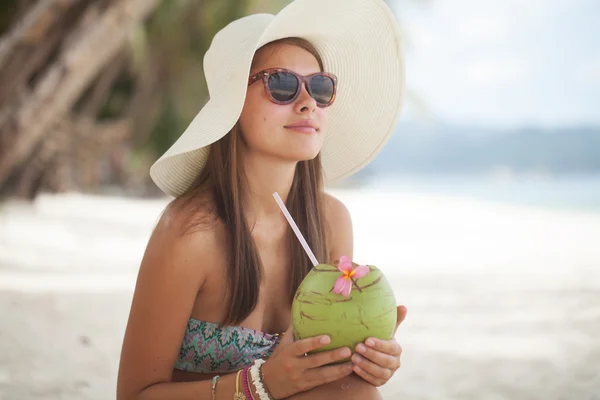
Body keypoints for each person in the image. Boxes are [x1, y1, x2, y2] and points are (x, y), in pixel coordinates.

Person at [117, 0, 407, 398]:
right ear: (232, 106)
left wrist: (365, 358)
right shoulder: (190, 234)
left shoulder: (331, 221)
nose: (308, 103)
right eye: (283, 85)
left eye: (320, 87)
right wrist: (258, 385)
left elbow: (328, 376)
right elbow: (134, 394)